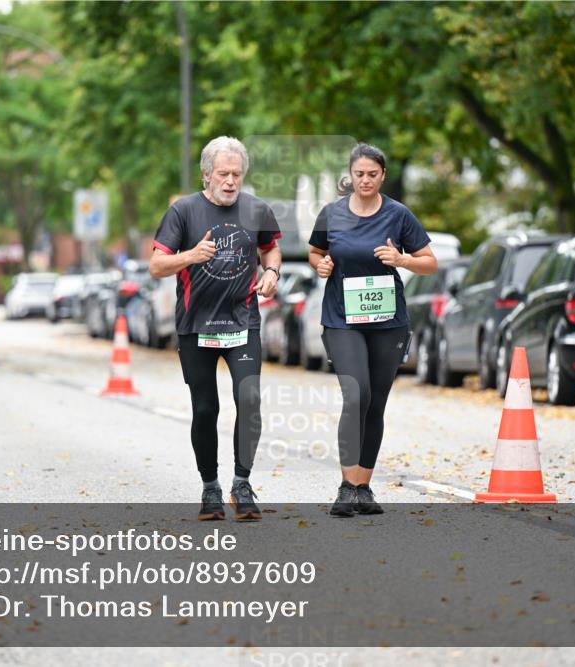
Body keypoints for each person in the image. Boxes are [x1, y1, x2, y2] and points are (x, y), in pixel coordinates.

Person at [149, 136, 281, 522]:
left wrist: (271, 271)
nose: (230, 181)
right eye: (223, 174)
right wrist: (191, 255)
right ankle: (211, 489)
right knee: (206, 409)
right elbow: (157, 265)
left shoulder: (256, 209)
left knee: (250, 400)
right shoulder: (184, 211)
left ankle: (242, 484)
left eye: (236, 174)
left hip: (242, 323)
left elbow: (270, 247)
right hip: (197, 326)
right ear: (207, 175)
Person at [308, 143, 437, 517]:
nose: (365, 180)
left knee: (376, 402)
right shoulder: (332, 213)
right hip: (342, 318)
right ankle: (347, 486)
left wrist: (402, 259)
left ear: (382, 176)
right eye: (359, 174)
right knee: (356, 394)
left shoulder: (398, 215)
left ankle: (364, 486)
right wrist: (322, 265)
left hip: (387, 322)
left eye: (373, 174)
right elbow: (316, 252)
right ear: (350, 176)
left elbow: (430, 262)